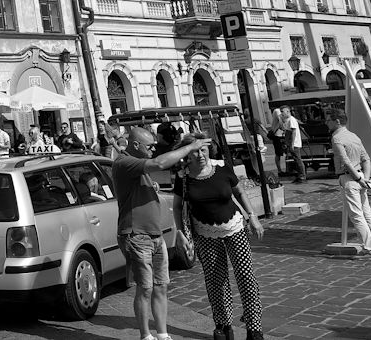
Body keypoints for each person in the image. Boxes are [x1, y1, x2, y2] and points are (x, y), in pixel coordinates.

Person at [114, 127, 206, 340]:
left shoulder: (138, 165)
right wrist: (190, 147)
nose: (153, 149)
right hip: (136, 235)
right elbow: (160, 163)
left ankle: (163, 334)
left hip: (155, 235)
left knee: (161, 286)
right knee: (145, 288)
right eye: (150, 146)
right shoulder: (124, 162)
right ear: (135, 145)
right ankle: (146, 336)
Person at [172, 134, 265, 340]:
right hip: (205, 234)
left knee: (246, 277)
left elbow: (240, 193)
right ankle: (223, 325)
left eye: (203, 150)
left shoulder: (222, 169)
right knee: (216, 280)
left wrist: (253, 217)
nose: (200, 155)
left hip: (234, 228)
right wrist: (180, 232)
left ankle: (254, 328)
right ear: (187, 154)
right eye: (195, 151)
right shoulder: (183, 178)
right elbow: (177, 207)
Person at [326, 108, 371, 261]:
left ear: (337, 121)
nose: (326, 123)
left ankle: (369, 250)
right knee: (367, 213)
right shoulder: (353, 136)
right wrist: (365, 178)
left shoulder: (337, 138)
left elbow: (346, 162)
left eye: (328, 120)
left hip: (350, 179)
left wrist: (358, 179)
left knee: (357, 216)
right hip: (360, 176)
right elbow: (366, 158)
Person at [279, 106, 307, 184]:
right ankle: (299, 175)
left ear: (288, 112)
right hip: (291, 143)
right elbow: (287, 132)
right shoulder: (287, 120)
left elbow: (293, 132)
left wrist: (292, 143)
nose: (281, 113)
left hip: (295, 143)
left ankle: (302, 176)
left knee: (298, 159)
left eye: (282, 112)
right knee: (295, 159)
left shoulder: (291, 120)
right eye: (281, 112)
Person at [268, 108, 287, 175]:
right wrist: (284, 128)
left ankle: (288, 168)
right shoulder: (277, 111)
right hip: (278, 135)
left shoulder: (283, 111)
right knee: (278, 153)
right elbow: (281, 120)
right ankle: (279, 170)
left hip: (282, 135)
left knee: (287, 152)